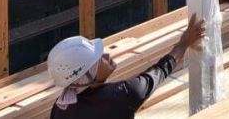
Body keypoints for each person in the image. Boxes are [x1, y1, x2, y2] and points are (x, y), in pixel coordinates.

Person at [49, 13, 205, 117]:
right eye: (98, 59)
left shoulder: (60, 108)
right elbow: (160, 70)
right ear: (88, 75)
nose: (106, 55)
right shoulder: (120, 95)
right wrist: (184, 43)